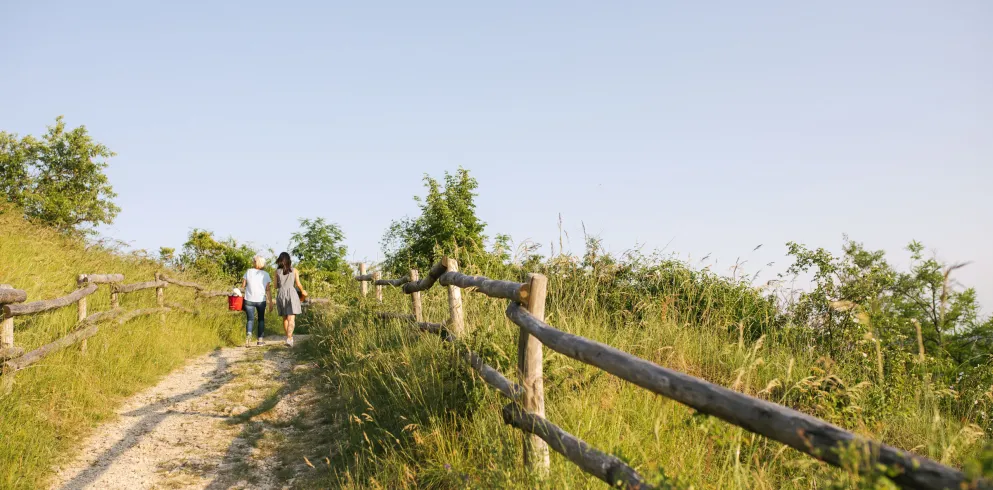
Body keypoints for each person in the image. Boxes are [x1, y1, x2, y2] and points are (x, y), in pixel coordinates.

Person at [275, 252, 307, 347]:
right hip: (292, 294)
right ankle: (289, 338)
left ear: (280, 261)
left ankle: (289, 338)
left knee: (285, 318)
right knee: (291, 318)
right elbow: (298, 284)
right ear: (289, 260)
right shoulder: (294, 270)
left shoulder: (276, 272)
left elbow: (276, 286)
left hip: (281, 294)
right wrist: (303, 291)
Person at [241, 255, 272, 346]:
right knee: (261, 319)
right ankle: (260, 340)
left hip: (249, 299)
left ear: (255, 262)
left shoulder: (248, 271)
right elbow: (268, 290)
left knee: (250, 319)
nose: (252, 263)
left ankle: (248, 338)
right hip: (261, 300)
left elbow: (243, 286)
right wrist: (270, 302)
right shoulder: (266, 274)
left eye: (253, 261)